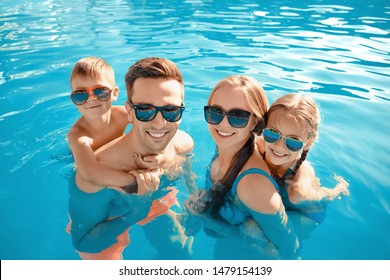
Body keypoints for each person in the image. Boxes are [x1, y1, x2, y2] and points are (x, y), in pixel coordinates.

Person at [68, 57, 195, 260]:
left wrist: (193, 195)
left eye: (170, 110)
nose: (160, 123)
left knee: (179, 251)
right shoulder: (92, 175)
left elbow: (187, 151)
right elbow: (84, 242)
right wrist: (137, 210)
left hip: (151, 198)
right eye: (145, 109)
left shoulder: (179, 144)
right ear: (129, 111)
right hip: (106, 218)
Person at [185, 76, 299, 259]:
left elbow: (289, 247)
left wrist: (206, 219)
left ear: (254, 122)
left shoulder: (252, 185)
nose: (223, 123)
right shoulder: (227, 144)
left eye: (237, 116)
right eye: (215, 112)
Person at [256, 94, 349, 224]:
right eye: (272, 133)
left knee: (253, 228)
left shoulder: (299, 189)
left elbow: (322, 196)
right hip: (273, 201)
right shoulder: (258, 146)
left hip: (305, 213)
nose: (279, 146)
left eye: (293, 141)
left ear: (309, 142)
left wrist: (338, 191)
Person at [67, 56, 137, 188]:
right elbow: (90, 173)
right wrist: (134, 181)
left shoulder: (123, 114)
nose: (91, 99)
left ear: (114, 93)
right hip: (84, 161)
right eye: (81, 94)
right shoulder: (78, 135)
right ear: (73, 99)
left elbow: (151, 126)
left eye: (100, 91)